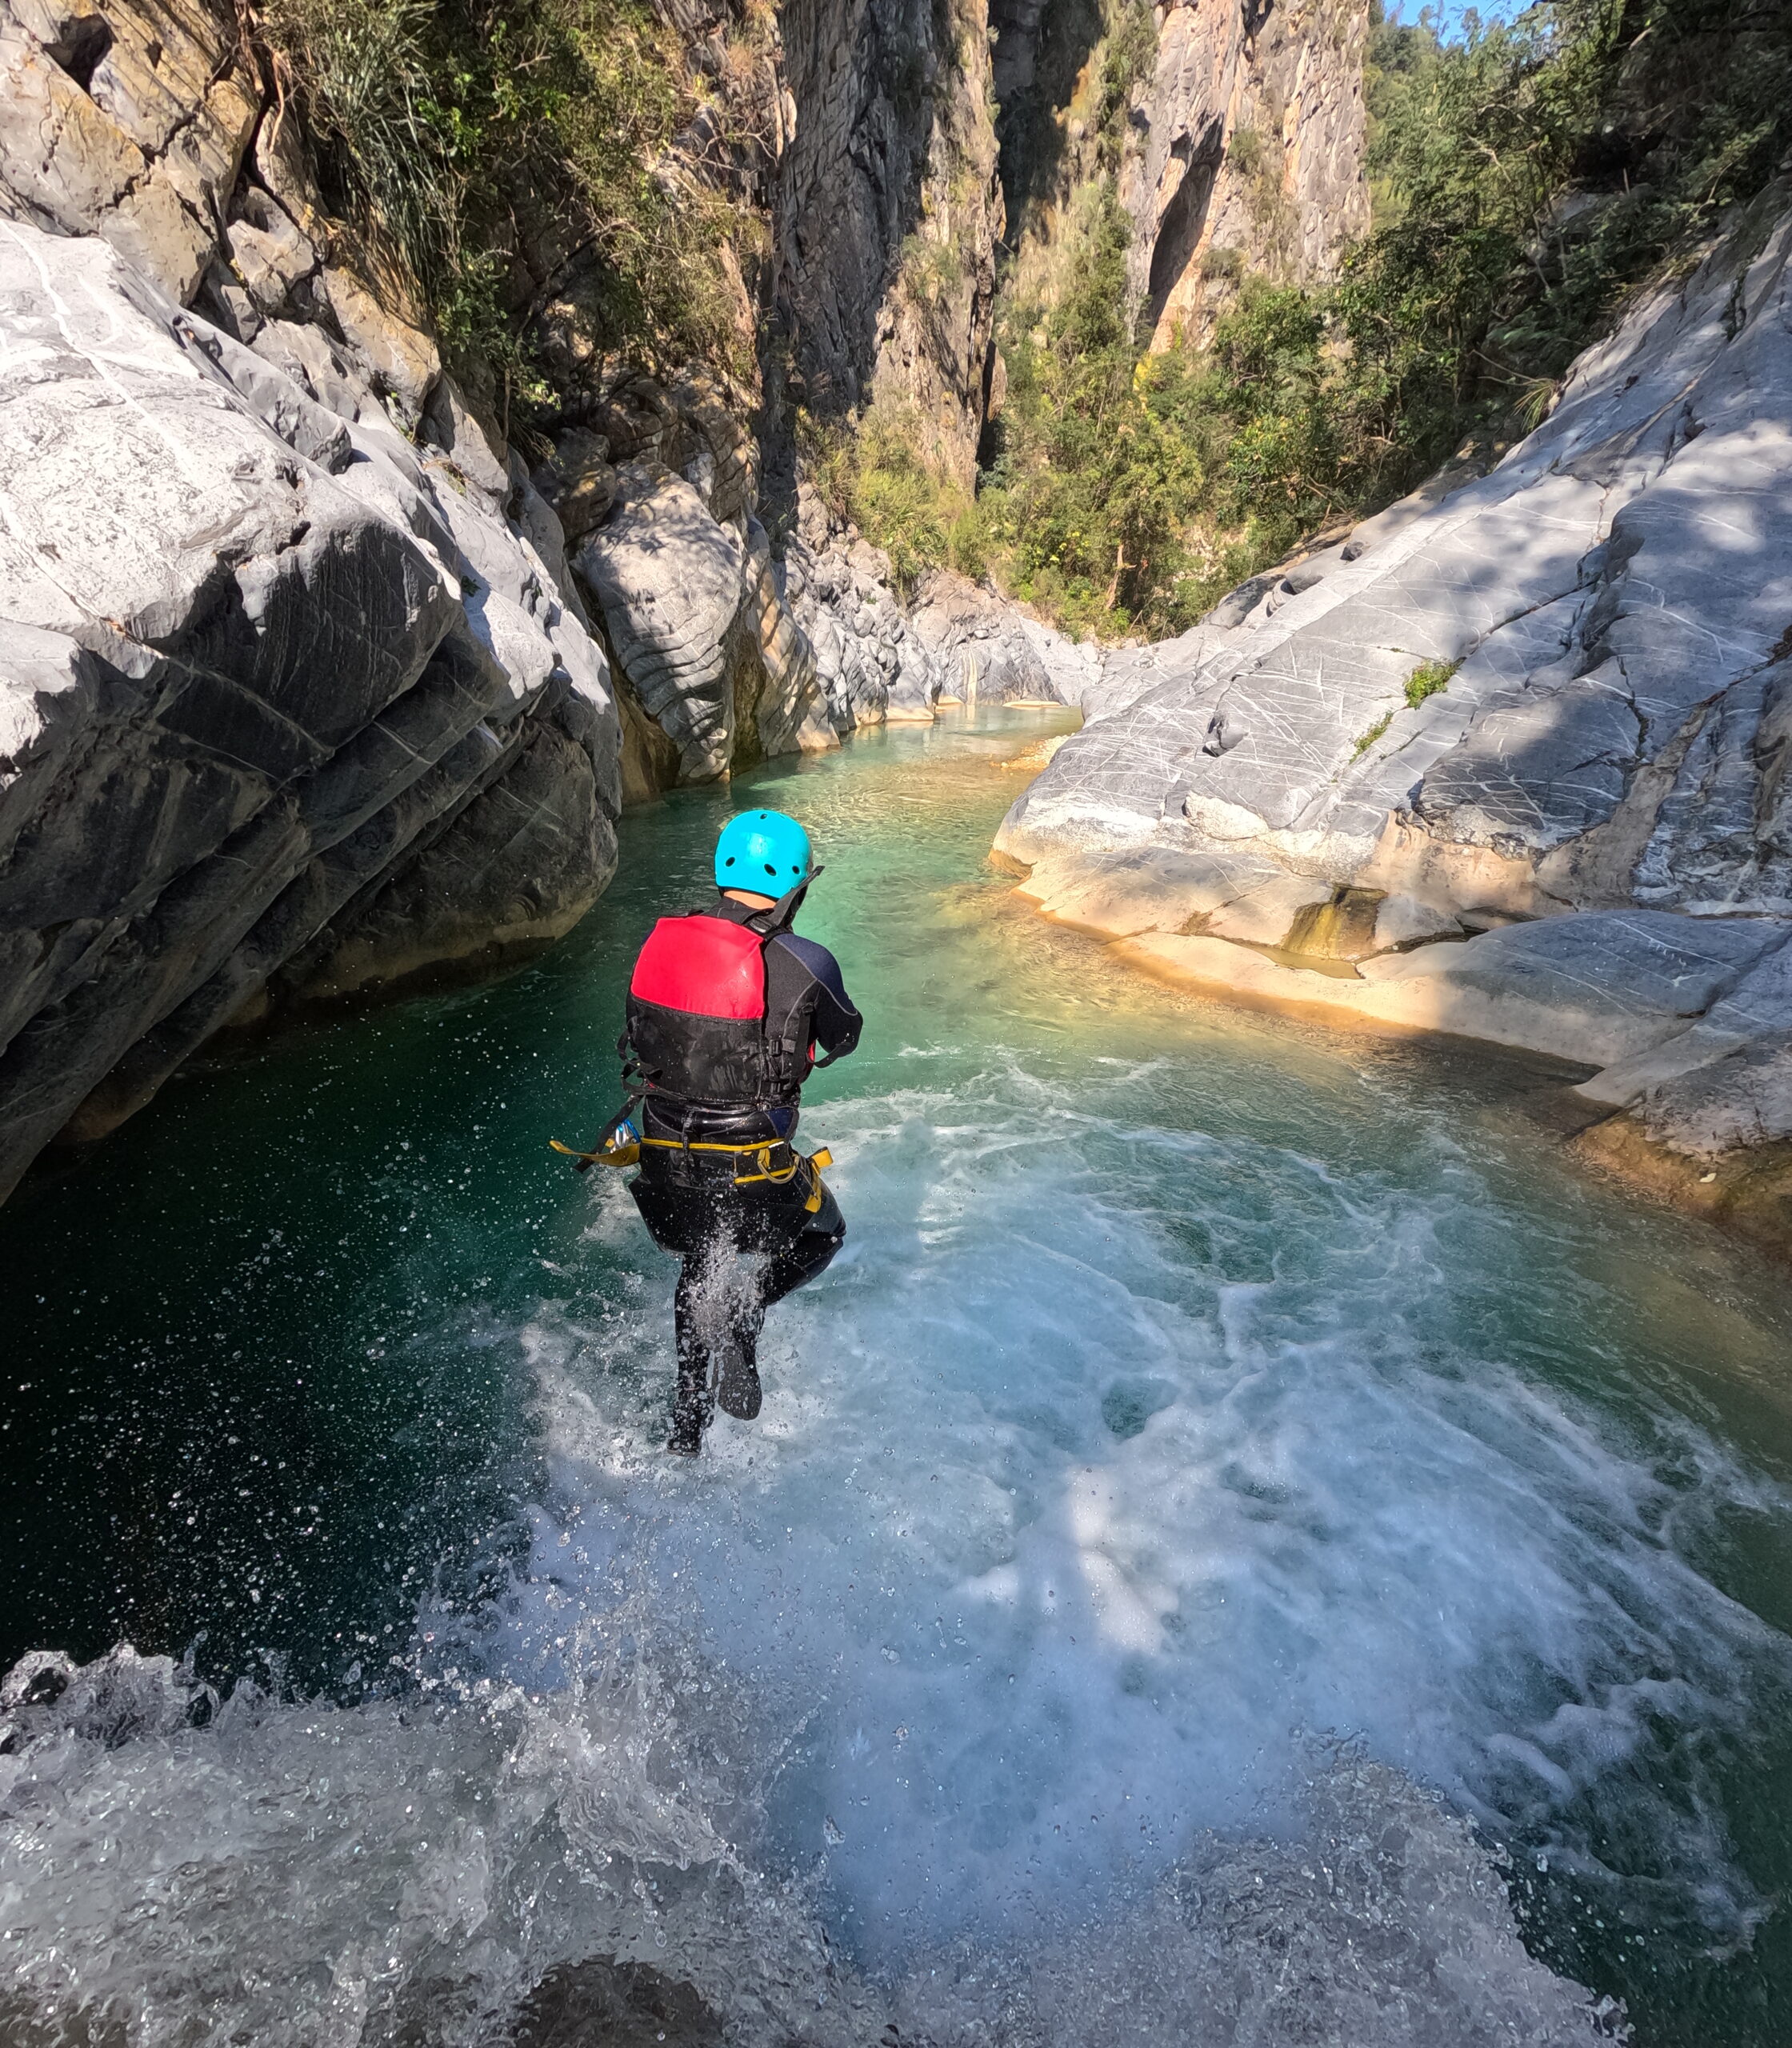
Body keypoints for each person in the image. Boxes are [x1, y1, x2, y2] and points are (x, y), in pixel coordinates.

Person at [618, 809, 861, 1454]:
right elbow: (844, 1036)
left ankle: (686, 1423)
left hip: (666, 1157)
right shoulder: (808, 961)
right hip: (755, 1167)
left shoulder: (658, 943)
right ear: (794, 887)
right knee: (825, 1234)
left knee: (701, 1257)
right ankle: (746, 1309)